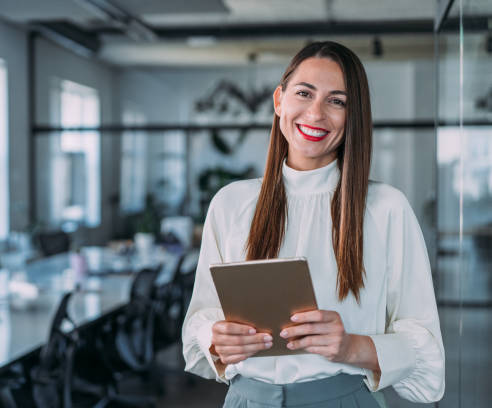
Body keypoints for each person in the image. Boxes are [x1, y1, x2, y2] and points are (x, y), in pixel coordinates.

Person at [182, 41, 445, 408]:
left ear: (352, 116)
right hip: (246, 399)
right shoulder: (230, 203)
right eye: (304, 93)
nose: (316, 113)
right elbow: (202, 316)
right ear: (279, 101)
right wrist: (216, 337)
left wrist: (354, 347)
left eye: (337, 101)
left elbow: (425, 345)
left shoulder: (387, 209)